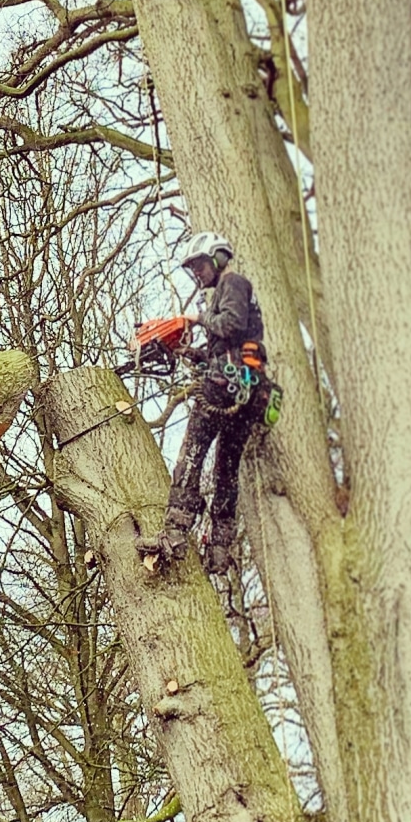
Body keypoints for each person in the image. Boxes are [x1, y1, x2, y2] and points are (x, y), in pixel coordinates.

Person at [152, 239, 271, 576]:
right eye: (192, 270)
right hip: (243, 388)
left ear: (218, 259)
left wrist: (197, 317)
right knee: (226, 469)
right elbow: (229, 343)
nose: (197, 275)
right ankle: (220, 548)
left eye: (200, 267)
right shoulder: (232, 291)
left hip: (228, 383)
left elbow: (230, 324)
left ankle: (175, 530)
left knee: (191, 451)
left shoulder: (233, 283)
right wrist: (193, 354)